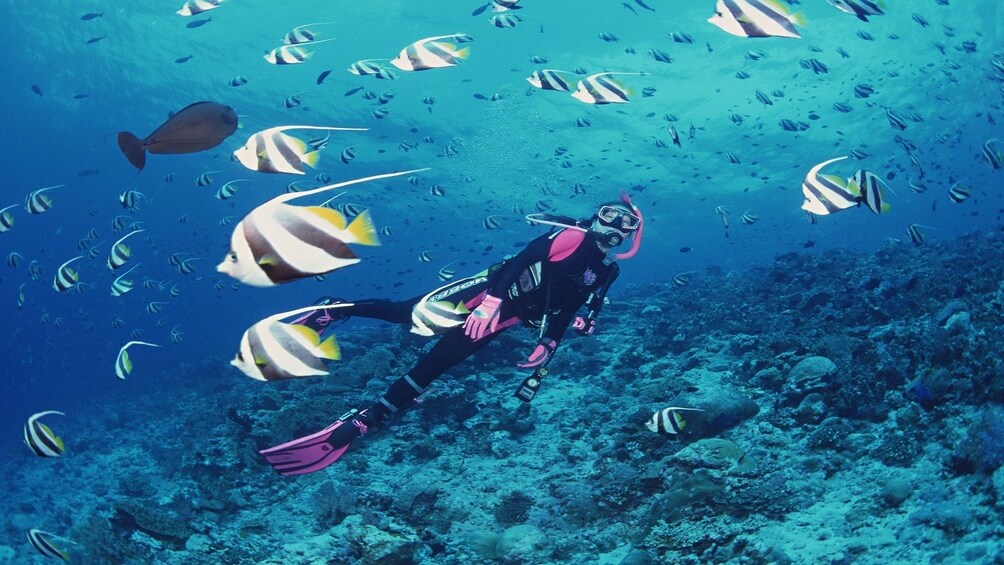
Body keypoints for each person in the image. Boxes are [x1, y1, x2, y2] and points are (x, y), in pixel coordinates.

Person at [259, 195, 644, 475]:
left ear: (631, 235)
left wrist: (549, 342)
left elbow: (568, 308)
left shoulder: (609, 271)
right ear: (596, 216)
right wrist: (490, 302)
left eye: (626, 223)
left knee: (439, 363)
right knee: (406, 316)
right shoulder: (570, 238)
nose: (615, 226)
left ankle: (369, 417)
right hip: (483, 295)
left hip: (506, 319)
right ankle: (334, 309)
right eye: (610, 215)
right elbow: (518, 264)